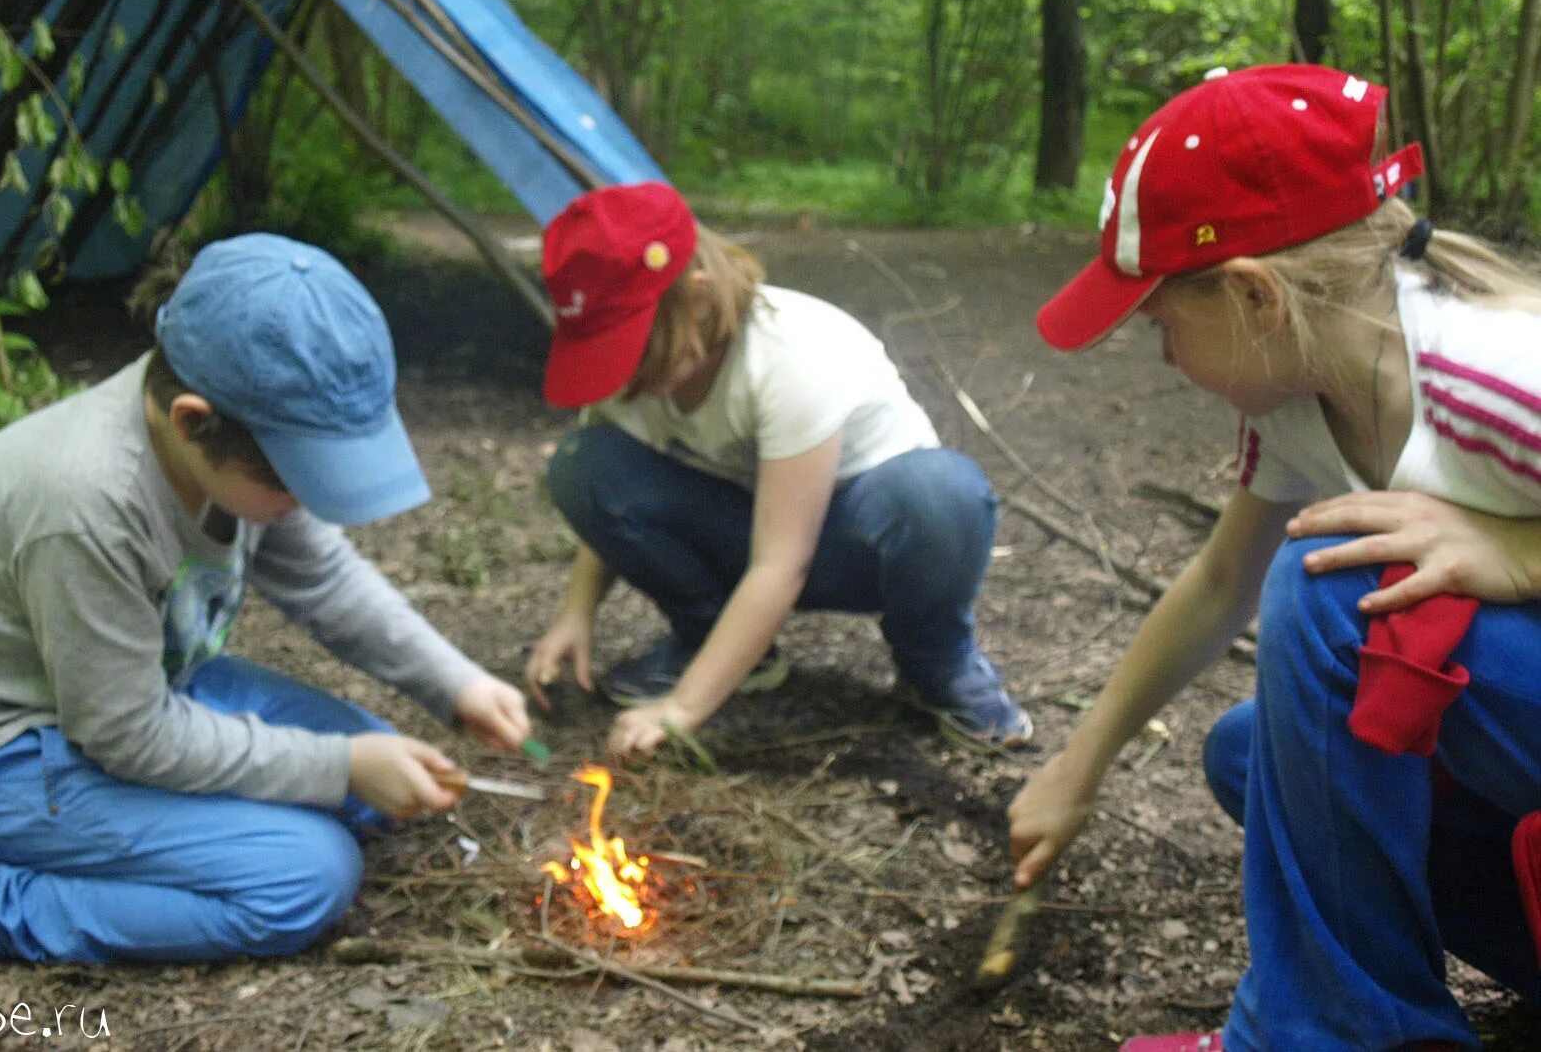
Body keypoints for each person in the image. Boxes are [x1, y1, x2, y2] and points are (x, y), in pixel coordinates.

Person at [0, 233, 530, 964]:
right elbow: (125, 735)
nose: (307, 500)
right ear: (191, 419)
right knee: (306, 877)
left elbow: (324, 579)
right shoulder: (85, 504)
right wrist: (335, 765)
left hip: (127, 683)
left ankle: (125, 839)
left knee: (382, 776)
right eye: (294, 482)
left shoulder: (238, 432)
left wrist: (454, 681)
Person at [1007, 64, 1541, 1051]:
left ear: (1255, 298)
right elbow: (1218, 585)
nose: (1161, 353)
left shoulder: (1502, 378)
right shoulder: (1301, 406)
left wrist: (1518, 547)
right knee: (1257, 754)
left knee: (1332, 583)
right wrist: (1080, 766)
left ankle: (1330, 1035)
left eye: (1162, 323)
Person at [522, 181, 1030, 759]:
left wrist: (682, 709)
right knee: (582, 464)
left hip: (858, 544)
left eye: (629, 345)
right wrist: (577, 611)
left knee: (942, 493)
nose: (619, 373)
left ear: (699, 298)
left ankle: (935, 663)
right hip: (749, 535)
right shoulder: (642, 366)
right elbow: (609, 489)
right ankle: (715, 641)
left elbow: (782, 562)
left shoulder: (791, 355)